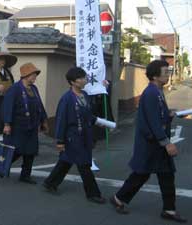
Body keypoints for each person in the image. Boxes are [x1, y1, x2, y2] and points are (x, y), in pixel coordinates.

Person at [110, 60, 187, 223]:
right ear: (155, 75)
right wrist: (167, 143)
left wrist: (170, 114)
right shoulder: (151, 93)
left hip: (157, 144)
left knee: (166, 175)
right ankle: (118, 198)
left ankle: (169, 209)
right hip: (151, 144)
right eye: (165, 72)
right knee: (141, 174)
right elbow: (152, 122)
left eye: (168, 71)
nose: (168, 75)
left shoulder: (157, 91)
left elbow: (159, 116)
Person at [42, 67, 106, 204]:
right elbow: (61, 120)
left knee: (65, 161)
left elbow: (89, 115)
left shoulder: (85, 95)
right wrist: (60, 140)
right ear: (72, 82)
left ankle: (50, 183)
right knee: (84, 165)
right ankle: (93, 194)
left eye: (84, 77)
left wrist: (99, 122)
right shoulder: (66, 99)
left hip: (85, 136)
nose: (84, 80)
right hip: (73, 138)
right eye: (81, 78)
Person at [3, 62, 48, 184]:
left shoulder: (34, 88)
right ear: (25, 75)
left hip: (32, 125)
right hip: (18, 126)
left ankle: (25, 175)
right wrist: (7, 124)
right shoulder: (15, 89)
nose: (35, 77)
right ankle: (2, 165)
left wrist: (44, 120)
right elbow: (8, 106)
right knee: (16, 150)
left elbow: (39, 105)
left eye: (35, 75)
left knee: (31, 151)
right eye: (33, 75)